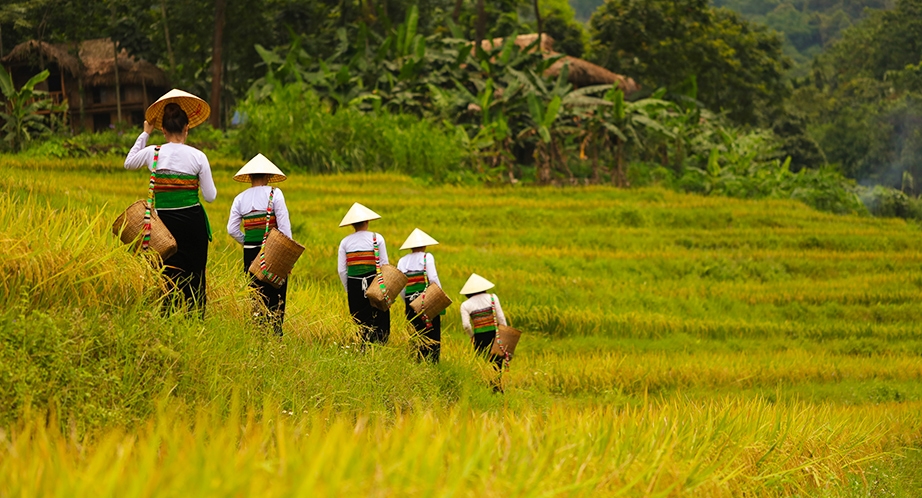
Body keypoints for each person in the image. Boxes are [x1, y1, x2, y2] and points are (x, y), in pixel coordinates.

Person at [125, 89, 214, 317]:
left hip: (163, 225)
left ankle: (167, 318)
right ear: (187, 128)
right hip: (193, 224)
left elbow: (128, 163)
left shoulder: (153, 152)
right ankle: (195, 320)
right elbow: (210, 196)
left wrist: (145, 133)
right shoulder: (198, 156)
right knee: (195, 275)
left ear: (162, 130)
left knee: (165, 274)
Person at [227, 154, 291, 335]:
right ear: (268, 176)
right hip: (274, 252)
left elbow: (232, 229)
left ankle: (257, 335)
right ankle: (275, 335)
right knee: (276, 296)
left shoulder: (240, 198)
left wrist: (248, 241)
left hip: (250, 253)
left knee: (255, 295)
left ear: (249, 177)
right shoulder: (275, 194)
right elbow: (284, 228)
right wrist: (287, 257)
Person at [337, 203, 390, 344]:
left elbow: (342, 270)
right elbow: (384, 264)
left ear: (352, 224)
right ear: (367, 221)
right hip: (375, 282)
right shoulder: (377, 238)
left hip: (354, 283)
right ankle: (380, 346)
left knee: (359, 320)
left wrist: (349, 288)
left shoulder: (345, 242)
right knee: (380, 318)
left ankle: (363, 348)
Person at [397, 228, 443, 362]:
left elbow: (400, 285)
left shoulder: (402, 261)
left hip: (410, 302)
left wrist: (407, 299)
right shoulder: (426, 257)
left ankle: (416, 361)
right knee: (432, 332)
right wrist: (438, 296)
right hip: (426, 301)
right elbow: (433, 278)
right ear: (424, 245)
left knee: (415, 332)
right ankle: (432, 362)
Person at [460, 273, 506, 380]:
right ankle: (497, 386)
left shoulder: (465, 305)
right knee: (497, 362)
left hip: (479, 337)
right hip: (495, 334)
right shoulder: (493, 298)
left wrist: (472, 336)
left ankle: (487, 384)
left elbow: (466, 325)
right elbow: (501, 318)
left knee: (483, 363)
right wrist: (504, 333)